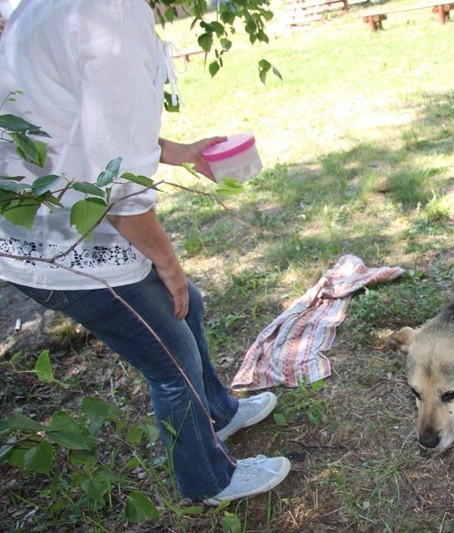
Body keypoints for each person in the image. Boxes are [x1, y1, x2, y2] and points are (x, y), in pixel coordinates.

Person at [0, 0, 290, 504]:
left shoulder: (45, 5)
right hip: (66, 242)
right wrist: (168, 264)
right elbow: (116, 193)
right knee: (171, 359)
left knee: (187, 306)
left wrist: (171, 150)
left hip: (44, 222)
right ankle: (208, 480)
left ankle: (219, 413)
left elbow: (73, 113)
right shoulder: (111, 14)